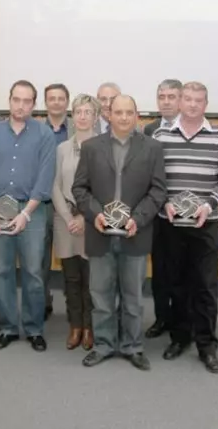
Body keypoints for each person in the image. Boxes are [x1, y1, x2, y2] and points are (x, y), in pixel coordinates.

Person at [72, 95, 166, 371]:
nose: (124, 117)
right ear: (108, 115)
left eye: (129, 112)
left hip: (135, 233)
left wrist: (138, 218)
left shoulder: (152, 148)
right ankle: (103, 345)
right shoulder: (90, 147)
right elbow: (79, 189)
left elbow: (158, 190)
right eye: (118, 112)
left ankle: (133, 346)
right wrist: (96, 214)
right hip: (100, 232)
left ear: (137, 115)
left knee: (133, 297)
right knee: (100, 296)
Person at [153, 81, 218, 374]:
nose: (191, 105)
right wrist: (163, 201)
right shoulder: (161, 135)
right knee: (176, 286)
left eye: (198, 100)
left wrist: (209, 204)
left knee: (204, 288)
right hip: (171, 224)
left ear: (205, 104)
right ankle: (179, 338)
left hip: (206, 224)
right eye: (187, 99)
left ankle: (206, 346)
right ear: (179, 102)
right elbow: (153, 178)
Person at [0, 80, 56, 352]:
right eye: (16, 99)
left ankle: (34, 329)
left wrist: (25, 213)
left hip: (33, 212)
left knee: (34, 273)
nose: (21, 105)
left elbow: (45, 179)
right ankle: (9, 328)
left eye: (27, 101)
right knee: (2, 272)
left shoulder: (44, 134)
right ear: (9, 100)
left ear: (33, 104)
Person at [51, 94, 98, 350]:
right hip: (64, 220)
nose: (82, 116)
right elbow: (55, 185)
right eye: (78, 111)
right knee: (70, 279)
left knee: (90, 279)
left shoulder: (104, 146)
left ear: (96, 117)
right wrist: (70, 217)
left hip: (92, 221)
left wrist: (84, 216)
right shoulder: (61, 149)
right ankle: (75, 326)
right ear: (73, 116)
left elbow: (105, 187)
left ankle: (90, 327)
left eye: (87, 112)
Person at [142, 79, 182, 339]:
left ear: (180, 100)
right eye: (162, 97)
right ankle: (161, 318)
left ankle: (179, 320)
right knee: (159, 270)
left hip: (183, 213)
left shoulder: (189, 127)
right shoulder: (149, 130)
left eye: (171, 97)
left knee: (181, 270)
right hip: (156, 212)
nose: (166, 101)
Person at [42, 83, 75, 319]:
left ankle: (73, 306)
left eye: (60, 98)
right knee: (40, 257)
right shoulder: (35, 129)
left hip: (69, 203)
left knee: (71, 259)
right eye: (51, 98)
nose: (56, 102)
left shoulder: (78, 127)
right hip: (41, 202)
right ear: (45, 103)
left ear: (67, 102)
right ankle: (43, 301)